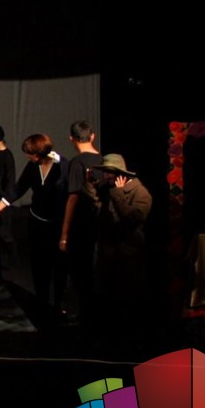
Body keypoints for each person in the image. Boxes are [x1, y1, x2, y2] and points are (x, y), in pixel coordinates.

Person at [0, 134, 66, 315]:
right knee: (38, 264)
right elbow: (19, 187)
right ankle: (41, 301)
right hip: (36, 221)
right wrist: (0, 205)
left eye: (30, 154)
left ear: (40, 153)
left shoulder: (62, 165)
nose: (28, 157)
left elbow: (69, 194)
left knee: (59, 265)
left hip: (57, 224)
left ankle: (59, 304)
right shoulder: (33, 166)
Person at [94, 154, 152, 327]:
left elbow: (132, 218)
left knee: (126, 294)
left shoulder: (140, 193)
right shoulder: (108, 189)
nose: (106, 176)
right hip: (108, 250)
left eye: (110, 172)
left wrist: (119, 194)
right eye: (105, 172)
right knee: (106, 292)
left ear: (121, 174)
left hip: (128, 251)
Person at [61, 120, 102, 323]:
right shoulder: (103, 160)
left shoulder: (77, 163)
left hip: (82, 223)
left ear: (72, 139)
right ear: (92, 136)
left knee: (80, 269)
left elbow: (73, 198)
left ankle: (82, 312)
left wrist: (64, 233)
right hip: (102, 222)